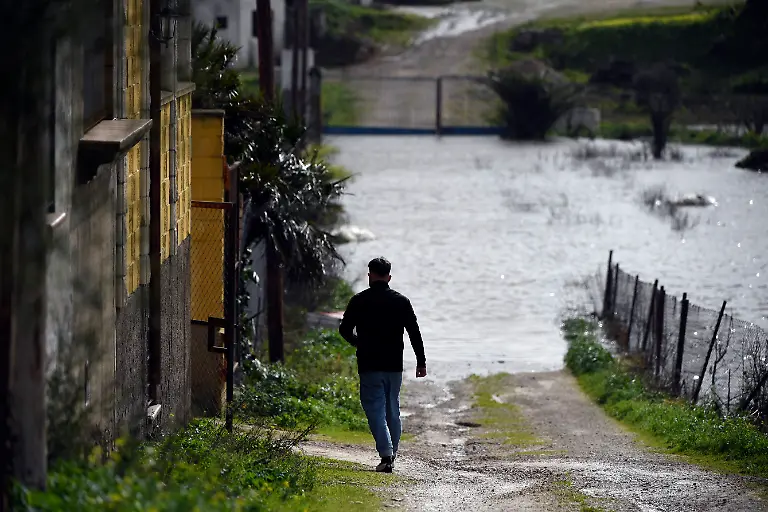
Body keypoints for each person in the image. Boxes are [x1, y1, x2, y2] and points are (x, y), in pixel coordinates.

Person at [339, 257, 427, 473]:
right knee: (392, 409)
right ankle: (391, 455)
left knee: (375, 409)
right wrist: (421, 362)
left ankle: (386, 455)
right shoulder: (401, 302)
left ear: (370, 275)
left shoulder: (359, 300)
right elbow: (414, 333)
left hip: (369, 363)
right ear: (389, 277)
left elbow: (344, 329)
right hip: (394, 365)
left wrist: (358, 342)